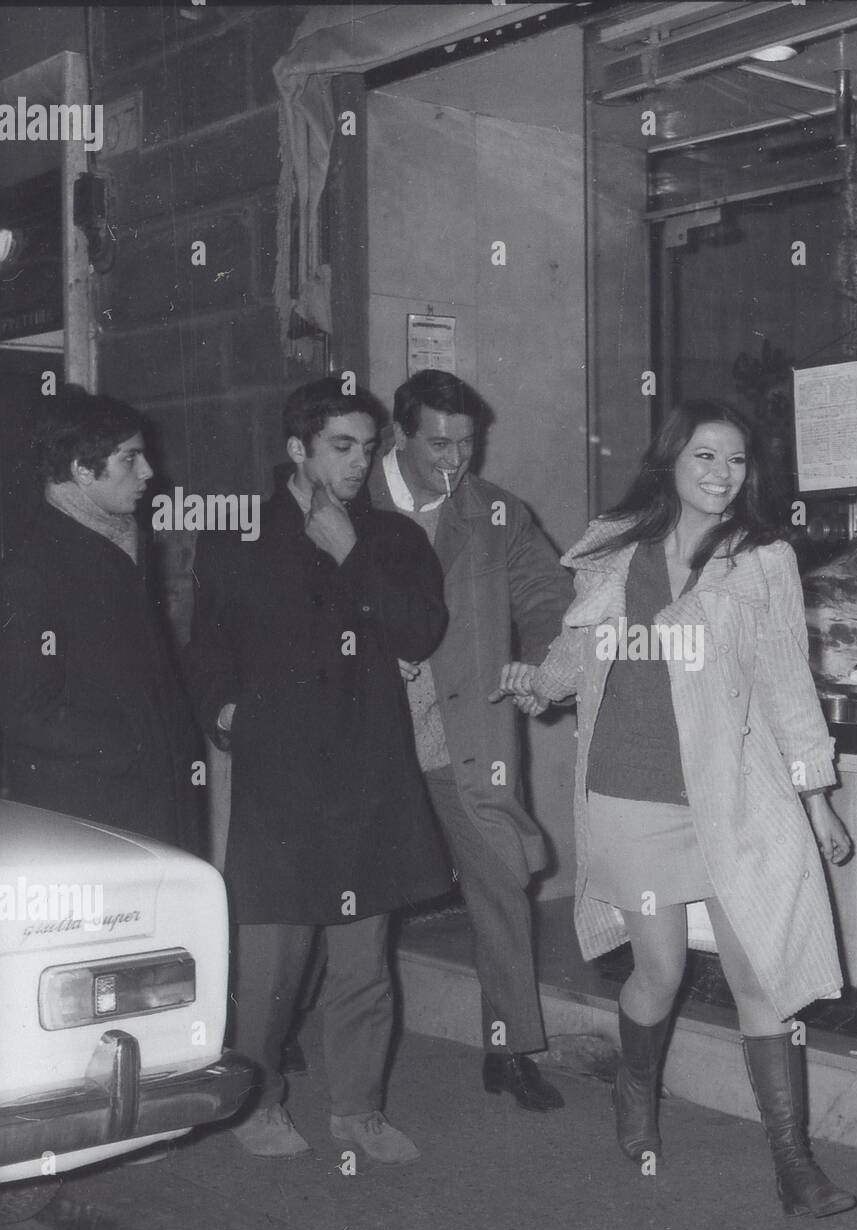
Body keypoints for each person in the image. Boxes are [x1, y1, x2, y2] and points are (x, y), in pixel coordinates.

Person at [499, 399, 857, 1216]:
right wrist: (536, 685)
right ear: (670, 461)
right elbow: (573, 649)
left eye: (735, 461)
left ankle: (794, 1164)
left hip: (731, 792)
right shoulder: (614, 549)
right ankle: (635, 1088)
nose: (722, 475)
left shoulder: (761, 560)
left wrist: (817, 797)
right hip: (628, 789)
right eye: (705, 457)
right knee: (659, 971)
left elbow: (786, 683)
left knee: (760, 975)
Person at [184, 377, 452, 1163]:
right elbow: (207, 644)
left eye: (368, 449)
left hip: (369, 771)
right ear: (297, 449)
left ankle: (358, 1112)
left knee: (365, 962)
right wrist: (222, 708)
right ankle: (259, 1102)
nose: (358, 463)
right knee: (272, 961)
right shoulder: (236, 533)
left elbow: (419, 634)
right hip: (281, 774)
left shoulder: (392, 539)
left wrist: (351, 553)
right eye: (342, 446)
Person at [368, 370, 573, 1112]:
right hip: (366, 732)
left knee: (501, 885)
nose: (456, 457)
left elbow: (547, 599)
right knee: (349, 895)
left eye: (468, 442)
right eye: (440, 443)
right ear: (401, 434)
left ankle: (510, 1046)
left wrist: (546, 667)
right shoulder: (351, 500)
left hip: (466, 729)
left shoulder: (495, 512)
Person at [0, 388, 200, 849]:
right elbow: (24, 710)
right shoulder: (32, 570)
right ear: (82, 470)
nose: (149, 472)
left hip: (152, 797)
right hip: (92, 814)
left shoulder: (123, 545)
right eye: (130, 458)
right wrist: (135, 741)